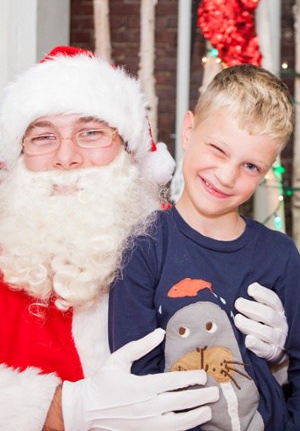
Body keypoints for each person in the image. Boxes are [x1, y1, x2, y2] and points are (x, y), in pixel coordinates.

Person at [0, 47, 288, 431]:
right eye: (43, 137)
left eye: (90, 133)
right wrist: (63, 408)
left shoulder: (175, 243)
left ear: (127, 148)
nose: (65, 157)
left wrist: (278, 360)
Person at [109, 64, 300, 430]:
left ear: (268, 170)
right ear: (188, 130)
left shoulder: (280, 256)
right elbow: (135, 375)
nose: (226, 176)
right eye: (217, 149)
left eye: (250, 166)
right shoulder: (144, 245)